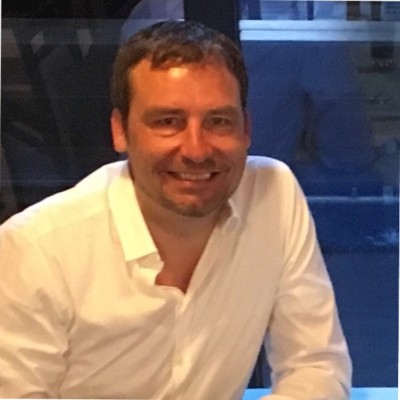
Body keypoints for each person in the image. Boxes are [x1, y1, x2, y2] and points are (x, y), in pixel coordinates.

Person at [0, 20, 351, 399]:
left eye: (218, 121)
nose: (196, 150)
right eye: (168, 122)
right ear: (120, 131)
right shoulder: (34, 250)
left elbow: (316, 365)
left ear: (246, 129)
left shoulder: (273, 194)